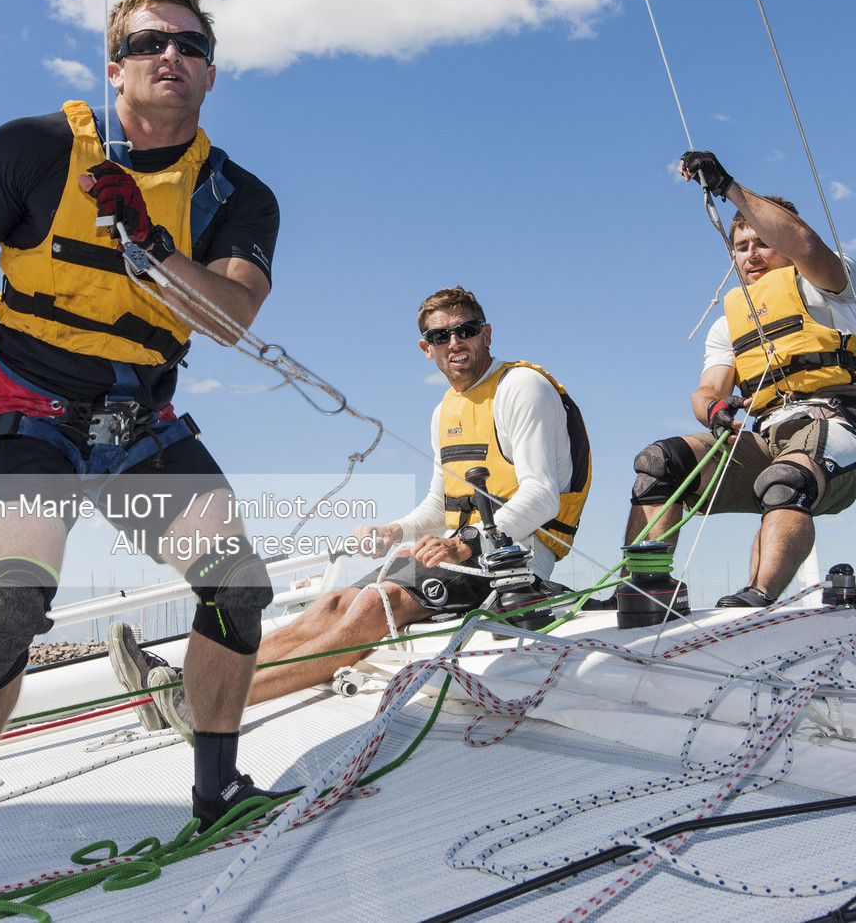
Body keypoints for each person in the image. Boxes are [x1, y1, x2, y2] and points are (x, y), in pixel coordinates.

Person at [0, 0, 286, 899]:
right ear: (115, 68)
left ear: (211, 74)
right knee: (13, 601)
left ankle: (217, 789)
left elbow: (230, 319)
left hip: (141, 423)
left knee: (237, 586)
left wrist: (154, 242)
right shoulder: (33, 151)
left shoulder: (238, 196)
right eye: (148, 43)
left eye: (189, 45)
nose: (169, 56)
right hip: (32, 412)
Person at [148, 286, 591, 709]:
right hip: (457, 551)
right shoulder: (444, 411)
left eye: (466, 330)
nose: (455, 342)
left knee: (372, 605)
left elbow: (542, 495)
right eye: (441, 336)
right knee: (331, 603)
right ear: (427, 348)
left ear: (486, 334)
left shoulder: (520, 387)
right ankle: (193, 681)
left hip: (515, 559)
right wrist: (395, 530)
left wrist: (464, 543)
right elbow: (439, 504)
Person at [624, 150, 856, 608]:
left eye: (762, 242)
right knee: (658, 463)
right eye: (741, 247)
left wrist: (728, 188)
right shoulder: (728, 323)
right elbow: (707, 390)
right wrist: (714, 408)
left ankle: (758, 597)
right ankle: (643, 589)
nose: (752, 254)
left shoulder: (833, 286)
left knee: (785, 479)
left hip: (838, 432)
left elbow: (807, 247)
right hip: (767, 438)